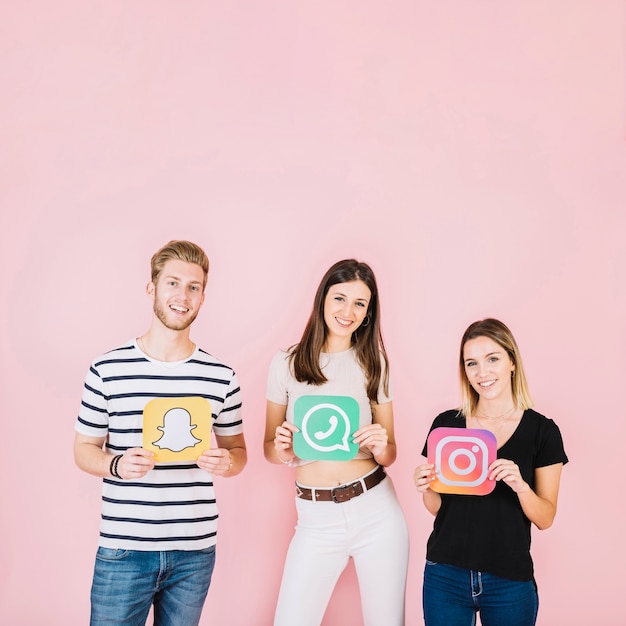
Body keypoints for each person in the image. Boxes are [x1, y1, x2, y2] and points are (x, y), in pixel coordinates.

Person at [74, 240, 247, 626]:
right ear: (151, 288)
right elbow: (84, 449)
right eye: (172, 283)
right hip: (125, 550)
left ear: (203, 296)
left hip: (195, 552)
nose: (182, 295)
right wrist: (116, 463)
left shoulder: (221, 377)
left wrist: (227, 461)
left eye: (194, 287)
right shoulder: (106, 369)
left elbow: (238, 452)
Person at [264, 259, 409, 626]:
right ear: (323, 299)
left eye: (360, 303)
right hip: (315, 517)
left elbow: (390, 453)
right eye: (340, 298)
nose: (348, 311)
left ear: (368, 312)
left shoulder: (374, 363)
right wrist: (281, 448)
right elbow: (269, 446)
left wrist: (380, 444)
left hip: (376, 509)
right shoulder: (287, 363)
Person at [414, 318, 568, 626]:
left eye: (492, 359)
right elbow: (438, 510)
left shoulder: (543, 432)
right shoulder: (446, 426)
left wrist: (522, 487)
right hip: (445, 574)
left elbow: (545, 518)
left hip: (508, 578)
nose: (482, 373)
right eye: (472, 363)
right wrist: (427, 487)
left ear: (512, 362)